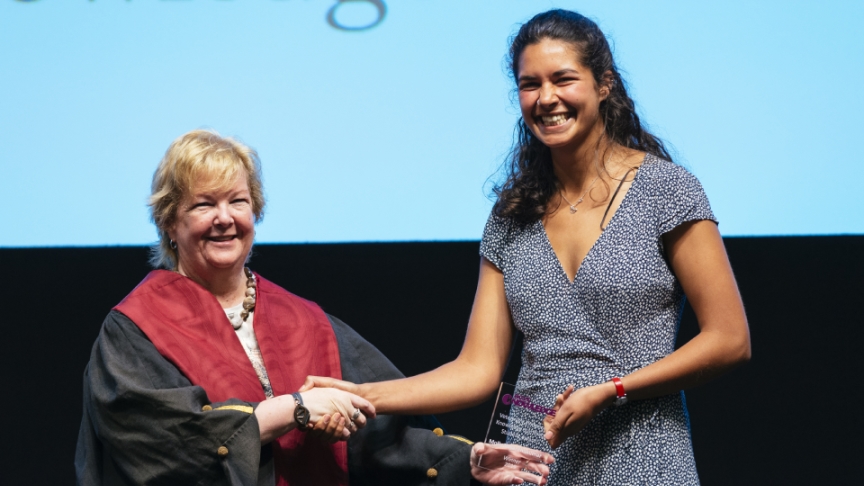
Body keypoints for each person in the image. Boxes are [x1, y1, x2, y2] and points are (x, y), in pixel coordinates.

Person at [301, 9, 751, 485]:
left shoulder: (667, 189)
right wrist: (360, 393)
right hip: (534, 464)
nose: (547, 98)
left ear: (604, 84)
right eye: (530, 84)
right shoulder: (513, 213)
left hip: (642, 455)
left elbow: (729, 340)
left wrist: (612, 390)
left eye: (563, 79)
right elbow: (477, 369)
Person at [74, 129, 551, 485]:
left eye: (238, 201)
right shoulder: (135, 328)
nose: (224, 219)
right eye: (203, 205)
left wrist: (464, 463)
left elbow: (382, 434)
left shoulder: (303, 321)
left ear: (255, 213)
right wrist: (292, 409)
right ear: (169, 222)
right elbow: (164, 444)